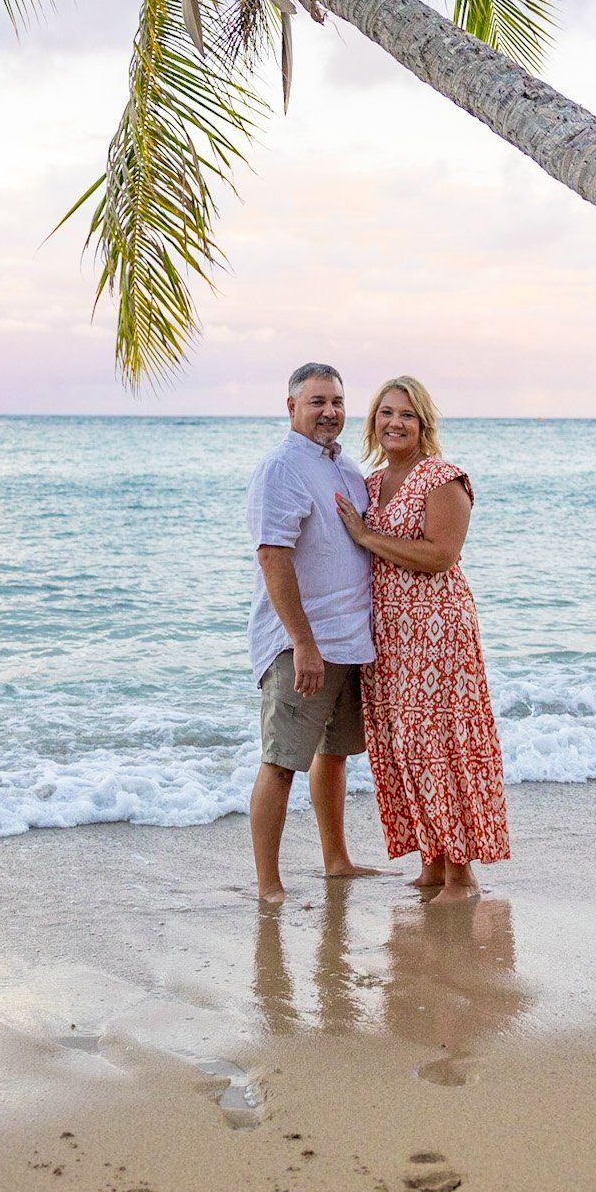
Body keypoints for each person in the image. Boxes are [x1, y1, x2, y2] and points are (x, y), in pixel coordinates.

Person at [336, 376, 510, 902]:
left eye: (407, 415)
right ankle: (431, 863)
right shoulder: (370, 484)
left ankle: (462, 874)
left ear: (423, 424)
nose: (395, 422)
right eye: (386, 412)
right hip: (388, 634)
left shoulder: (442, 478)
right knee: (405, 747)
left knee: (442, 744)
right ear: (373, 422)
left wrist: (366, 536)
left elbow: (441, 556)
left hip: (437, 632)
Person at [246, 363, 380, 903]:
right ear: (291, 406)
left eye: (338, 402)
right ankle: (269, 885)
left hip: (352, 641)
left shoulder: (345, 469)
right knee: (281, 762)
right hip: (302, 643)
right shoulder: (281, 468)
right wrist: (302, 641)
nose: (330, 412)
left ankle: (336, 861)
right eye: (318, 401)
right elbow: (272, 556)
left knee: (333, 755)